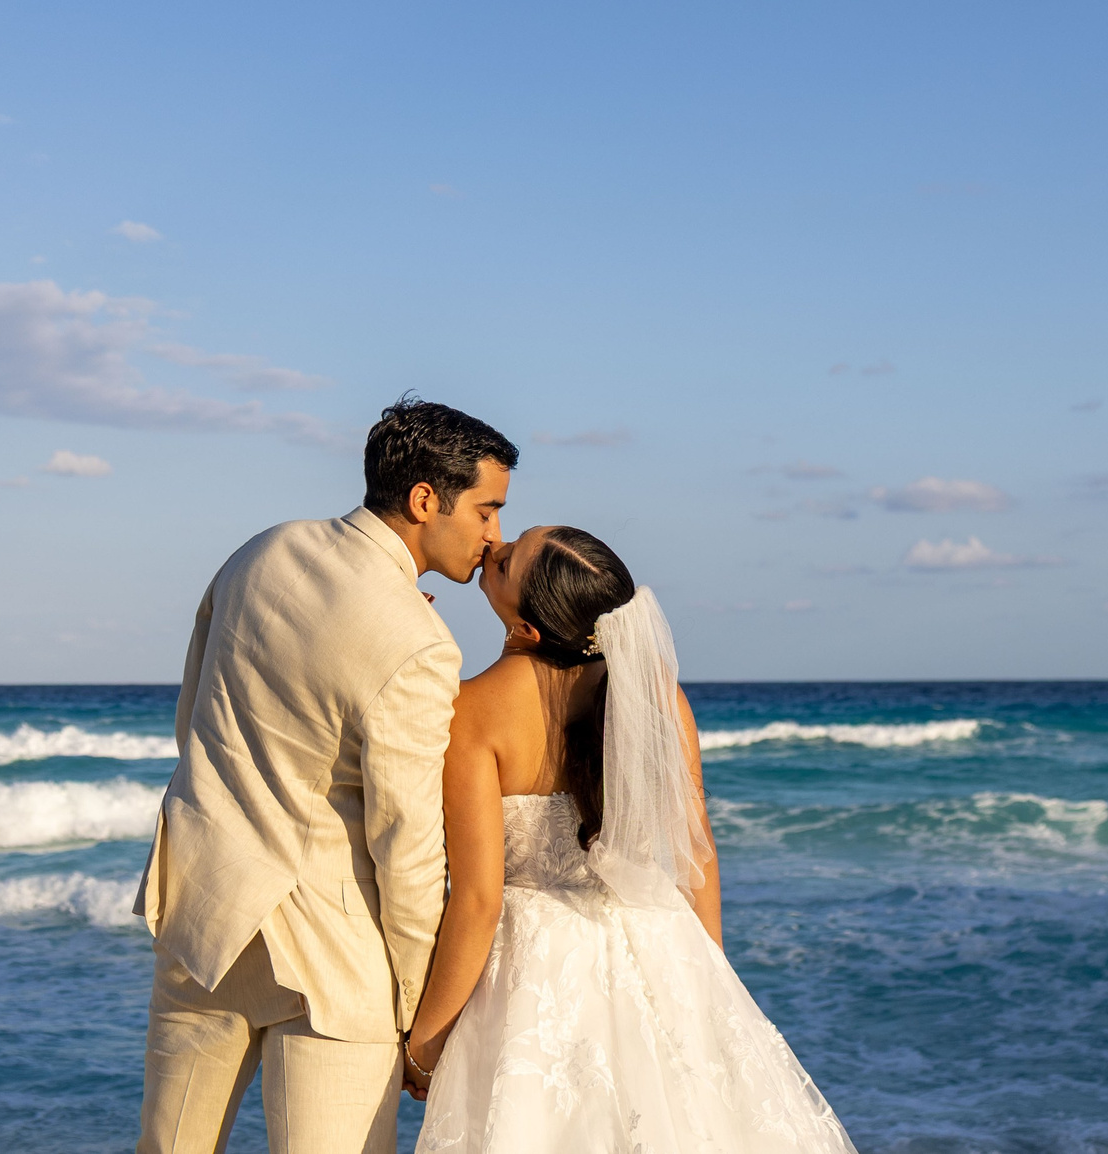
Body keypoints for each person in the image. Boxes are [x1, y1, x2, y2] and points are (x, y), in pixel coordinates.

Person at [135, 397, 519, 1154]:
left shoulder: (260, 552)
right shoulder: (417, 640)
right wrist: (421, 1019)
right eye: (486, 510)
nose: (493, 535)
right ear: (423, 501)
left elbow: (195, 719)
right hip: (330, 961)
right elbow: (406, 846)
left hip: (205, 915)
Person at [403, 525, 859, 1154]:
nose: (492, 547)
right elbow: (697, 856)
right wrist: (708, 985)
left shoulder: (473, 710)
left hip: (534, 981)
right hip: (662, 950)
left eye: (506, 561)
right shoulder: (660, 700)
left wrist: (427, 1042)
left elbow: (477, 900)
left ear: (530, 628)